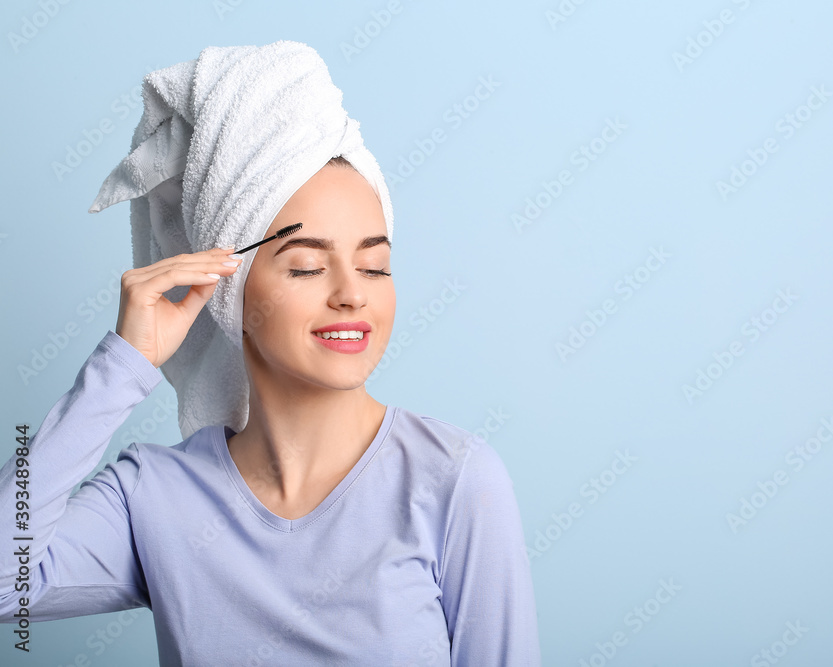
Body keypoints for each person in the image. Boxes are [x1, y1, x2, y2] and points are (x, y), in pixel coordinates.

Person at [0, 155, 542, 665]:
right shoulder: (154, 495)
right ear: (224, 285)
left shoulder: (454, 479)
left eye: (375, 266)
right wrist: (122, 367)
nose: (352, 293)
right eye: (307, 267)